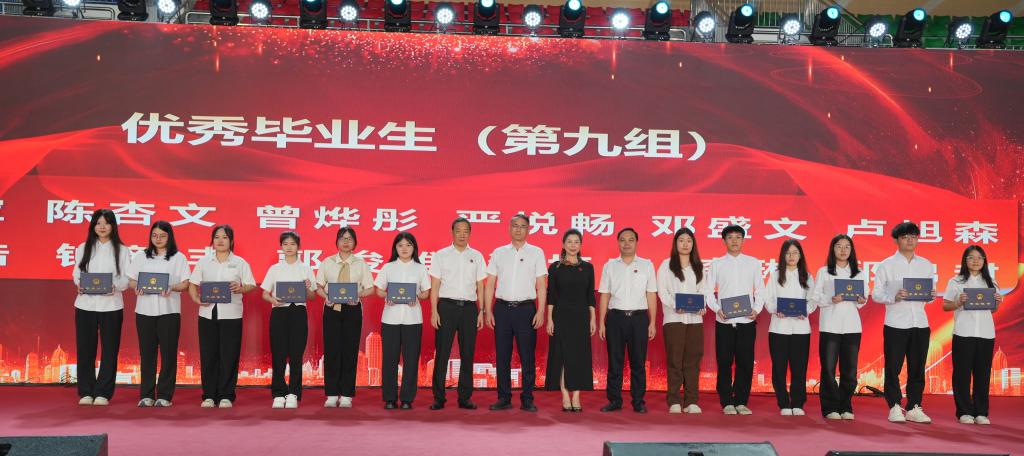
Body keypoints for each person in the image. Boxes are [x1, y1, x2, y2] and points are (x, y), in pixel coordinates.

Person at [872, 221, 937, 424]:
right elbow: (876, 294)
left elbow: (929, 295)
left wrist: (930, 295)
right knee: (893, 367)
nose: (910, 241)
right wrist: (894, 296)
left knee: (918, 368)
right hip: (895, 324)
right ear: (897, 240)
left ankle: (914, 407)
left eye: (913, 237)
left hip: (920, 323)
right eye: (905, 237)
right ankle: (894, 406)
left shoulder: (926, 265)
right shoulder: (886, 265)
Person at [188, 224, 257, 408]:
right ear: (212, 241)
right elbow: (193, 284)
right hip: (207, 313)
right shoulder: (204, 262)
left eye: (225, 237)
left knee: (229, 355)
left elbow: (251, 285)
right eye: (217, 237)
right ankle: (209, 395)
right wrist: (196, 299)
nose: (220, 241)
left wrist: (240, 288)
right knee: (208, 355)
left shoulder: (240, 263)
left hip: (231, 314)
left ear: (231, 241)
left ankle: (226, 395)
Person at [484, 214, 547, 412]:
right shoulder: (499, 253)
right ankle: (504, 397)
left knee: (527, 356)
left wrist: (541, 311)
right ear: (509, 228)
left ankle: (527, 398)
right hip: (502, 309)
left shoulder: (536, 253)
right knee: (502, 356)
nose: (518, 229)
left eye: (523, 226)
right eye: (515, 226)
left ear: (528, 229)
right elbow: (490, 283)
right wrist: (487, 310)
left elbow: (541, 285)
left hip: (526, 310)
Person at [127, 221, 190, 407]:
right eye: (154, 235)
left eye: (162, 236)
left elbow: (186, 284)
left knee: (169, 354)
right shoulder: (141, 256)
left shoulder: (178, 258)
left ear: (169, 237)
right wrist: (137, 286)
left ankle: (164, 396)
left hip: (169, 311)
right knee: (147, 354)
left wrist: (172, 287)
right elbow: (131, 281)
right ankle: (146, 395)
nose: (158, 239)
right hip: (144, 311)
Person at [73, 209, 131, 406]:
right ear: (93, 226)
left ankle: (103, 393)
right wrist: (79, 283)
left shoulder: (122, 250)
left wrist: (115, 286)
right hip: (85, 305)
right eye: (98, 223)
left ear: (113, 226)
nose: (102, 227)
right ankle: (86, 391)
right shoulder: (83, 248)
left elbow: (126, 278)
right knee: (85, 349)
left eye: (106, 223)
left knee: (109, 350)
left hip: (112, 305)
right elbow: (76, 273)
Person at [428, 217, 487, 411]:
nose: (462, 235)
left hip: (469, 308)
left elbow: (480, 286)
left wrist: (481, 311)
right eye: (458, 231)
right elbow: (435, 286)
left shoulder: (477, 256)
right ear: (452, 232)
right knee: (442, 353)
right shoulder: (441, 255)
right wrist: (434, 311)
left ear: (470, 233)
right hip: (446, 307)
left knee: (467, 353)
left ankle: (465, 397)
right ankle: (439, 397)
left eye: (466, 231)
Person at [706, 224, 764, 415]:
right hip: (725, 321)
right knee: (724, 362)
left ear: (743, 240)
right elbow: (708, 291)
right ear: (724, 241)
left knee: (745, 362)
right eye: (730, 237)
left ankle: (741, 401)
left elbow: (760, 289)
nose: (734, 241)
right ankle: (727, 402)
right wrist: (717, 309)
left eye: (738, 237)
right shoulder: (717, 264)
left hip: (747, 321)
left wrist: (756, 309)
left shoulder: (753, 263)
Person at [598, 227, 657, 414]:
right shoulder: (610, 266)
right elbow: (605, 295)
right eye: (623, 240)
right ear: (618, 243)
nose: (626, 243)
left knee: (638, 362)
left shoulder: (647, 265)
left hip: (639, 319)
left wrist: (652, 322)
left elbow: (651, 294)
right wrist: (601, 322)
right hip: (615, 318)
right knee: (615, 361)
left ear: (636, 243)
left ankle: (638, 401)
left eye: (631, 240)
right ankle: (614, 400)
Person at [943, 245, 1002, 425]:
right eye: (971, 257)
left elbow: (992, 309)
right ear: (965, 260)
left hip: (986, 333)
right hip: (963, 332)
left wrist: (997, 302)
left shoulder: (991, 282)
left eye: (979, 257)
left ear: (984, 261)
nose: (975, 261)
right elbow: (945, 306)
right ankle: (964, 412)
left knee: (983, 374)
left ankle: (981, 412)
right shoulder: (956, 281)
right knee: (962, 374)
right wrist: (958, 302)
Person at [315, 227, 374, 408]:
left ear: (355, 243)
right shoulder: (327, 262)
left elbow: (370, 288)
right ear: (337, 242)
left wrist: (358, 295)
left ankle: (347, 395)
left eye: (349, 239)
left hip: (352, 310)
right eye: (342, 238)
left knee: (350, 352)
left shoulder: (361, 264)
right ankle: (332, 394)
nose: (346, 242)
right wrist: (326, 297)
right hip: (331, 309)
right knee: (332, 351)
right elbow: (318, 286)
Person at [812, 234, 867, 421]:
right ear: (832, 249)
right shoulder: (824, 272)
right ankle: (830, 407)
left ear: (851, 250)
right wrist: (830, 299)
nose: (843, 250)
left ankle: (845, 405)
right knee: (828, 369)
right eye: (839, 246)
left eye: (847, 247)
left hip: (852, 326)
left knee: (850, 371)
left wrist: (861, 300)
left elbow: (863, 299)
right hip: (830, 326)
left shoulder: (859, 273)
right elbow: (815, 297)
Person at [374, 232, 431, 410]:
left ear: (414, 248)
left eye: (408, 245)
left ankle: (407, 398)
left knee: (411, 360)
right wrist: (387, 296)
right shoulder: (388, 267)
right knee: (389, 359)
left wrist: (417, 296)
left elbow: (426, 293)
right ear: (395, 248)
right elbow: (378, 290)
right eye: (400, 245)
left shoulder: (420, 269)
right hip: (390, 319)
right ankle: (390, 398)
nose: (404, 249)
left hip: (413, 320)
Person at [260, 231, 316, 409]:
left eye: (292, 244)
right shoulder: (275, 269)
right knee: (278, 354)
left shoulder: (306, 268)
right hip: (279, 312)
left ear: (298, 246)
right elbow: (264, 293)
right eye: (285, 244)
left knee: (296, 355)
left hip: (298, 312)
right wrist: (273, 300)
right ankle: (278, 392)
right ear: (281, 247)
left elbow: (312, 296)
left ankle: (293, 393)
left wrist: (308, 288)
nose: (289, 247)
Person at [656, 228, 707, 414]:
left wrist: (702, 305)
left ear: (693, 244)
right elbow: (662, 291)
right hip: (673, 318)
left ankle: (691, 401)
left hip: (695, 320)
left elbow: (704, 291)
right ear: (675, 243)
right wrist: (674, 305)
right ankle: (674, 400)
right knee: (675, 360)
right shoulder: (666, 265)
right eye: (681, 240)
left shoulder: (699, 267)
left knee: (693, 360)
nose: (685, 244)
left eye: (689, 241)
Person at [544, 229, 595, 412]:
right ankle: (565, 395)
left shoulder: (588, 267)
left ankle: (577, 396)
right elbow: (551, 296)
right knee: (563, 355)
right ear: (563, 244)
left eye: (576, 242)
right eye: (569, 242)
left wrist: (593, 319)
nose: (573, 245)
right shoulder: (555, 268)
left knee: (579, 356)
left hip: (581, 317)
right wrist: (549, 319)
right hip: (561, 316)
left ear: (580, 245)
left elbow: (590, 296)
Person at [765, 240, 816, 417]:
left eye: (795, 252)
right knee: (779, 368)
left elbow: (812, 300)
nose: (791, 256)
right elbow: (768, 299)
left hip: (801, 329)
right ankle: (784, 402)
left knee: (799, 368)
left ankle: (798, 403)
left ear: (800, 255)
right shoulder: (775, 275)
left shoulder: (807, 276)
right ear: (783, 256)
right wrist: (775, 309)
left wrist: (805, 311)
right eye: (788, 253)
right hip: (779, 328)